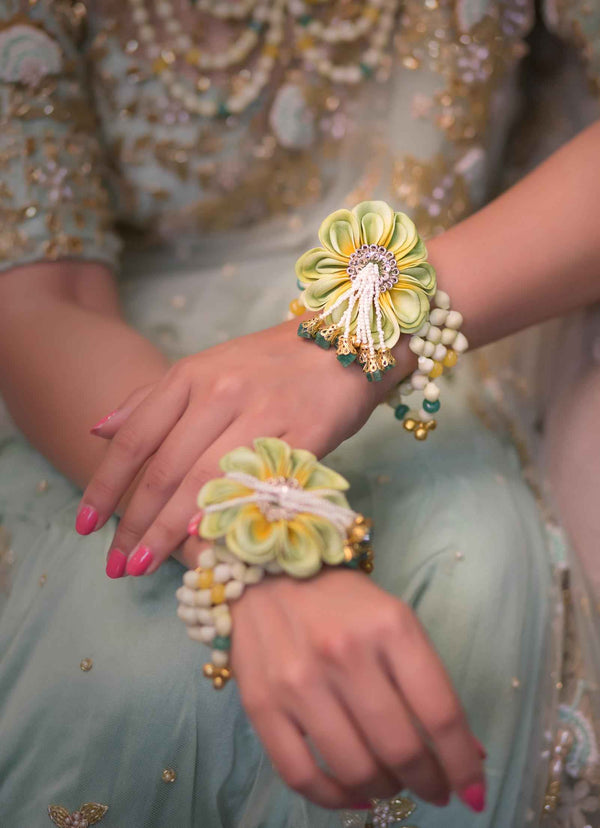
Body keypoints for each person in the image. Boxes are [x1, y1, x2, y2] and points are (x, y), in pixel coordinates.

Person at [0, 1, 599, 826]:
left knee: (460, 600)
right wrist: (260, 542)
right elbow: (42, 303)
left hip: (439, 345)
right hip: (114, 384)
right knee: (130, 674)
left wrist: (348, 339)